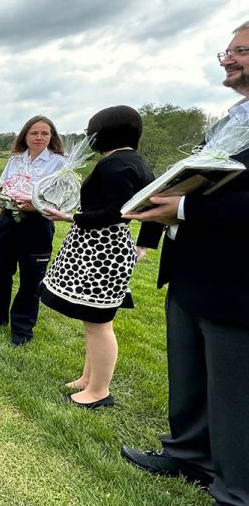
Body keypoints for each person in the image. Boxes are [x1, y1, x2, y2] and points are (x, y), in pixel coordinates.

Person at [121, 21, 249, 506]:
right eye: (227, 51)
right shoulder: (233, 120)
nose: (228, 59)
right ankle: (190, 453)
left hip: (238, 280)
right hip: (196, 269)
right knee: (191, 373)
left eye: (240, 51)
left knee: (237, 393)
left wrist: (188, 207)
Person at [40, 106, 161, 408]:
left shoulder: (114, 165)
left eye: (91, 131)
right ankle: (88, 378)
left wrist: (68, 217)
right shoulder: (136, 162)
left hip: (100, 251)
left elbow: (113, 213)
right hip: (109, 248)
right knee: (92, 317)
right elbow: (155, 206)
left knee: (99, 322)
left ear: (105, 133)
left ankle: (99, 391)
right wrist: (144, 245)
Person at [0, 116, 67, 345]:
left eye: (44, 133)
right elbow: (3, 186)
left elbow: (59, 198)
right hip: (8, 222)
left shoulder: (59, 163)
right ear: (25, 136)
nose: (39, 137)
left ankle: (21, 330)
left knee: (31, 280)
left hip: (37, 225)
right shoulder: (16, 159)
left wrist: (33, 206)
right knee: (0, 273)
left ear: (52, 136)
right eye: (34, 133)